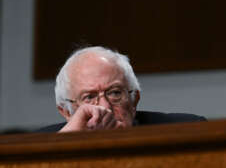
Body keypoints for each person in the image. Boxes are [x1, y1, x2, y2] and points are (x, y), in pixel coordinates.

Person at [38, 46, 206, 133]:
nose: (104, 107)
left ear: (134, 100)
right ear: (66, 112)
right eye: (89, 97)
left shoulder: (185, 130)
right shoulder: (36, 147)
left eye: (115, 93)